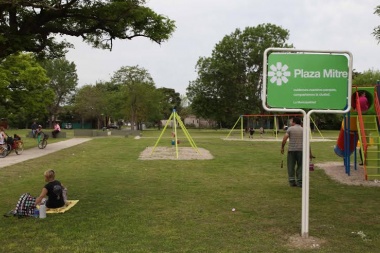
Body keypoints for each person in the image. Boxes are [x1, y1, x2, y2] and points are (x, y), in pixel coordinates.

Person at [281, 117, 303, 187]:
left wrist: (282, 147)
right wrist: (310, 153)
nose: (290, 122)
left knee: (291, 166)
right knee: (301, 166)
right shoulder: (304, 129)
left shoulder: (290, 129)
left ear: (294, 122)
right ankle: (300, 182)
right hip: (301, 150)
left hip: (292, 150)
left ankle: (292, 181)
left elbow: (285, 139)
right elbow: (308, 142)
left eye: (291, 121)